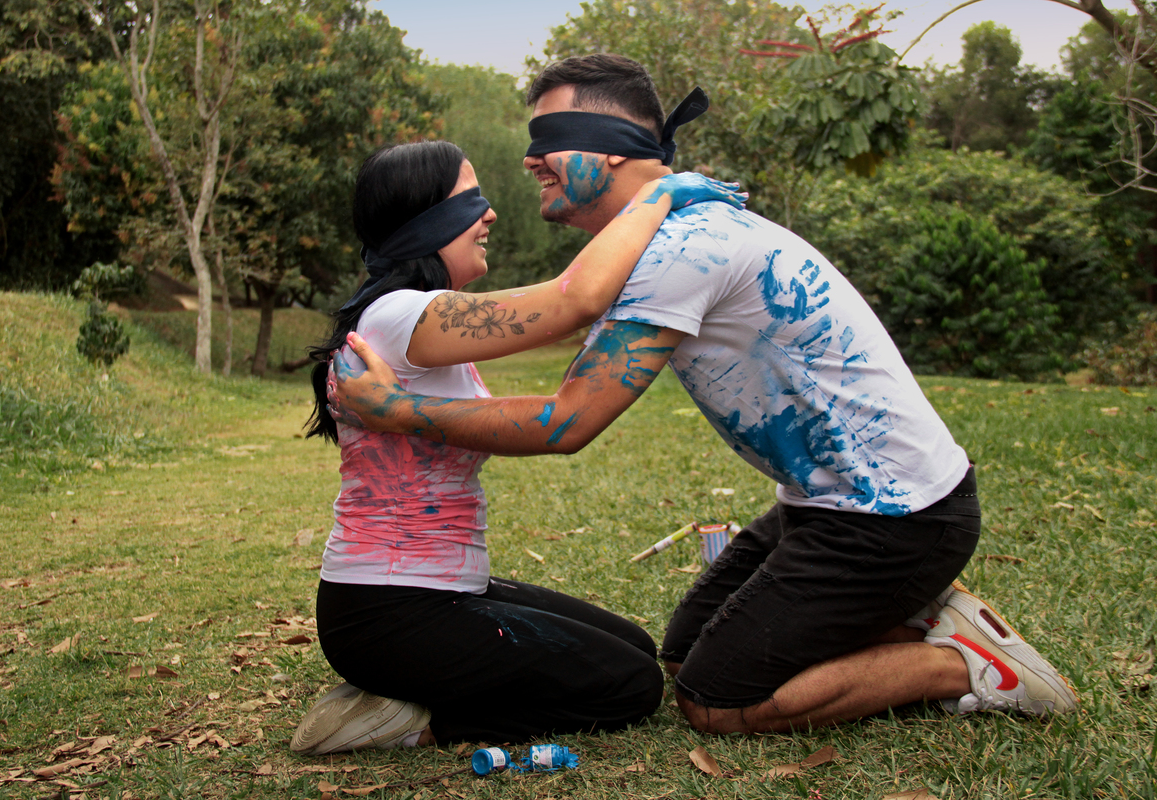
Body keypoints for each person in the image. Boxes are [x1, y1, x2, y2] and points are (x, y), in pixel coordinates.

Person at [330, 54, 1078, 736]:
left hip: (893, 517)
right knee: (684, 656)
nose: (529, 161)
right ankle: (915, 618)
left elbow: (567, 416)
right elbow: (569, 302)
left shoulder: (686, 248)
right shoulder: (662, 241)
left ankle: (967, 664)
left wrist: (398, 411)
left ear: (611, 149)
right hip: (824, 506)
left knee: (715, 701)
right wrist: (657, 198)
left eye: (549, 138)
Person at [292, 139, 746, 755]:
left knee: (635, 648)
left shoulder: (414, 320)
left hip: (434, 591)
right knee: (631, 687)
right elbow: (574, 299)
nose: (490, 214)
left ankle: (411, 684)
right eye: (469, 200)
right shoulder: (400, 316)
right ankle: (409, 722)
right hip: (388, 608)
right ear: (426, 222)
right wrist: (658, 194)